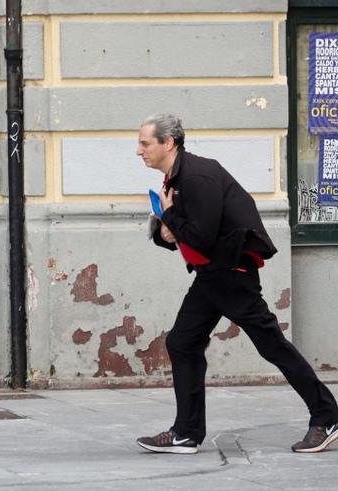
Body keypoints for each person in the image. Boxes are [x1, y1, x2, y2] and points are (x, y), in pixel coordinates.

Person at [134, 113, 338, 454]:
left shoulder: (198, 175)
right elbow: (180, 234)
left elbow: (202, 236)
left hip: (231, 274)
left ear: (167, 143)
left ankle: (326, 415)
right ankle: (186, 433)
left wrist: (169, 219)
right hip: (212, 275)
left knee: (271, 345)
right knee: (183, 343)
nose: (139, 151)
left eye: (144, 143)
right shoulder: (177, 178)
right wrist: (164, 230)